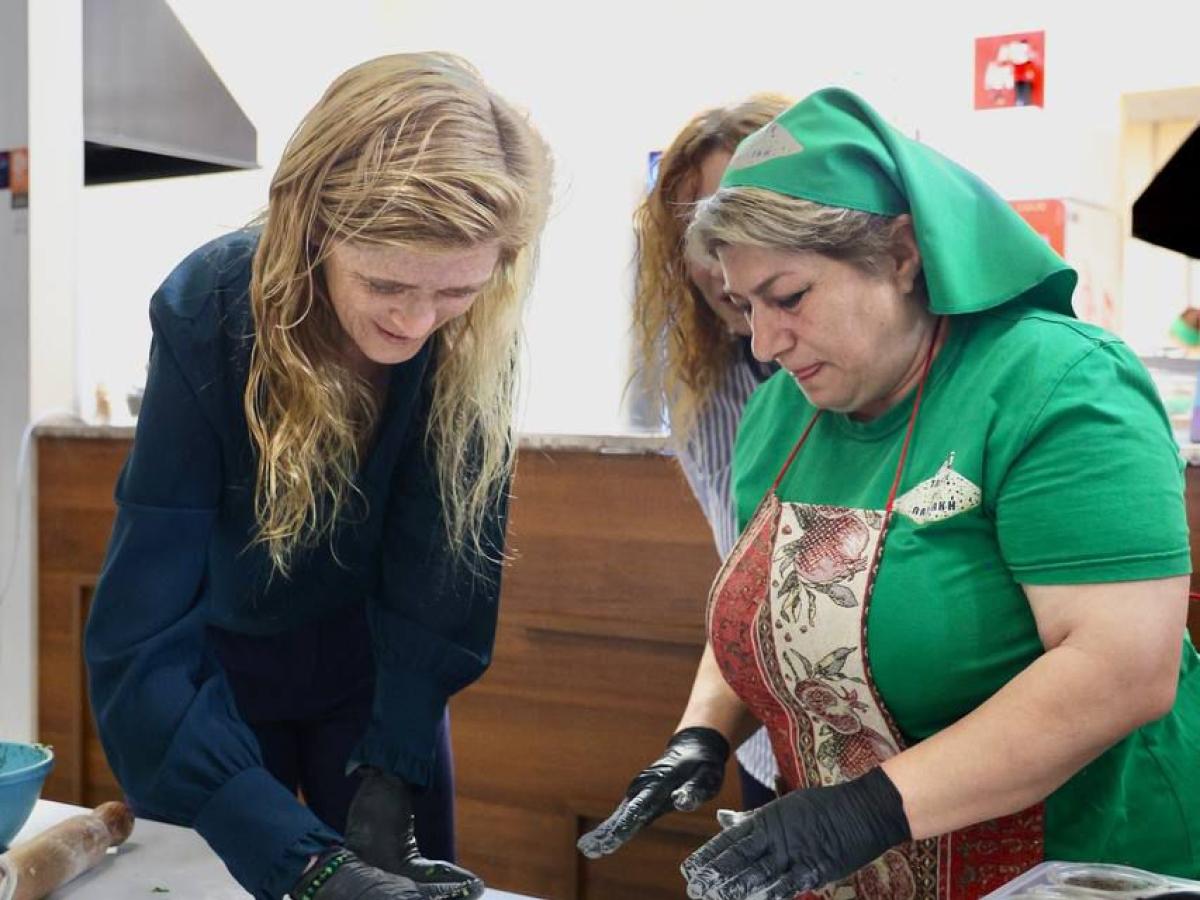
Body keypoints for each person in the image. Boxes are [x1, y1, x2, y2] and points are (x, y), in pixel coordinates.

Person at [581, 87, 1199, 900]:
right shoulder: (783, 412)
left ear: (901, 254)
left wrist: (871, 809)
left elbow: (1121, 668)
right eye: (744, 305)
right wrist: (701, 733)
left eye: (790, 297)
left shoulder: (1060, 385)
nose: (764, 342)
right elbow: (769, 595)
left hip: (1068, 863)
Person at [84, 53, 551, 900]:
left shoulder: (475, 325)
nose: (416, 321)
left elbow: (442, 568)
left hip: (377, 683)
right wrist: (305, 863)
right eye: (385, 282)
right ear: (314, 227)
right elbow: (139, 637)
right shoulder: (208, 311)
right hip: (208, 692)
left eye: (452, 290)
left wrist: (393, 760)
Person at [625, 96, 790, 816]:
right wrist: (702, 733)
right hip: (765, 736)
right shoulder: (705, 377)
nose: (719, 263)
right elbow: (749, 570)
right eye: (695, 230)